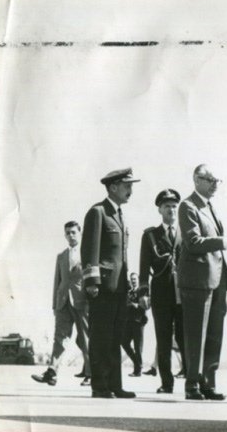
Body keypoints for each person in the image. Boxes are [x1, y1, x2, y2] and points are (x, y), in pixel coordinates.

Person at [177, 164, 227, 401]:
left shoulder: (209, 207)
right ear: (197, 180)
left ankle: (208, 382)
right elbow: (194, 242)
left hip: (217, 280)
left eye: (218, 180)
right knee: (196, 333)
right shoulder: (187, 206)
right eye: (211, 179)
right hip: (198, 281)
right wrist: (226, 243)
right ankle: (192, 384)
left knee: (214, 333)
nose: (215, 184)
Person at [81, 168, 140, 398]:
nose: (130, 191)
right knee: (101, 337)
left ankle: (115, 385)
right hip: (103, 288)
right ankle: (100, 386)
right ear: (113, 187)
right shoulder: (98, 212)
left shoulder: (119, 215)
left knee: (115, 338)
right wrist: (92, 282)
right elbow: (90, 250)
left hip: (120, 289)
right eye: (127, 186)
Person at [32, 221, 91, 387]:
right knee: (59, 338)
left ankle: (91, 374)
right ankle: (52, 373)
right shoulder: (61, 256)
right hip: (62, 302)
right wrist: (54, 305)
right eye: (68, 233)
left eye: (73, 232)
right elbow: (57, 281)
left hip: (82, 301)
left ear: (80, 233)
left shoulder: (88, 253)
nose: (71, 235)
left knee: (86, 338)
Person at [138, 189, 186, 394]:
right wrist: (143, 292)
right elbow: (143, 266)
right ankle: (166, 383)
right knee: (164, 339)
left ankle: (192, 381)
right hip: (161, 293)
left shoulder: (186, 232)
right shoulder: (150, 236)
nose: (171, 210)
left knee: (186, 338)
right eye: (167, 206)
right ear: (159, 209)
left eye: (174, 206)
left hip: (184, 294)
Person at [121, 272, 147, 377]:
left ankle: (138, 370)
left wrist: (135, 305)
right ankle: (138, 364)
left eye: (135, 279)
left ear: (138, 279)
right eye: (131, 279)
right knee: (124, 342)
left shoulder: (142, 292)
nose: (133, 281)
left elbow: (145, 306)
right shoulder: (129, 292)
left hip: (138, 321)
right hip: (129, 321)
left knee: (138, 347)